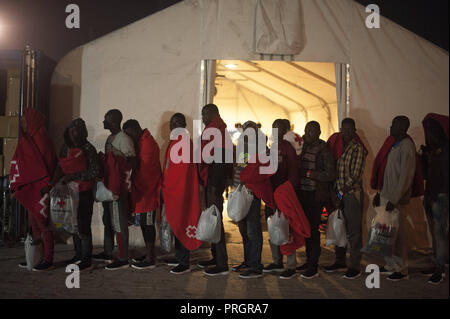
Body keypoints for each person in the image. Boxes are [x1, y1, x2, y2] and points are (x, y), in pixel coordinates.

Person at [371, 115, 423, 281]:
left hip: (396, 198)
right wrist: (380, 193)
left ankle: (401, 269)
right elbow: (387, 172)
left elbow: (406, 177)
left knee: (398, 235)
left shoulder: (407, 146)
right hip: (386, 194)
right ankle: (390, 264)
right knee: (386, 232)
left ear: (402, 127)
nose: (391, 127)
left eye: (394, 124)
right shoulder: (393, 144)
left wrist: (394, 199)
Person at [49, 119, 99, 271]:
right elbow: (59, 166)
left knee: (83, 224)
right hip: (69, 193)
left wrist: (73, 176)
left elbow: (94, 171)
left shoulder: (88, 148)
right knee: (73, 224)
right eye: (71, 131)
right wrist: (52, 184)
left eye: (76, 130)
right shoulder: (65, 147)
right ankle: (77, 254)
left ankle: (86, 259)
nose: (73, 133)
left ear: (83, 132)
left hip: (84, 192)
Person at [11, 108, 58, 271]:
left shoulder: (41, 138)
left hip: (41, 188)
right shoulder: (30, 138)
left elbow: (49, 164)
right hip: (33, 186)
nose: (22, 123)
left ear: (32, 121)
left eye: (24, 120)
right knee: (34, 223)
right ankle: (36, 257)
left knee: (42, 223)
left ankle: (48, 259)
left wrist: (47, 184)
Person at [93, 109, 137, 270]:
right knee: (108, 221)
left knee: (119, 222)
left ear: (113, 121)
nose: (103, 122)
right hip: (108, 185)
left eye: (106, 119)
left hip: (118, 188)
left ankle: (123, 257)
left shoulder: (124, 139)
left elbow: (131, 163)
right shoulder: (111, 138)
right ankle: (108, 251)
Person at [325, 118, 368, 279]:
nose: (346, 132)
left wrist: (340, 194)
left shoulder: (357, 149)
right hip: (340, 194)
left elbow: (355, 175)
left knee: (354, 231)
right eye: (344, 129)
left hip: (351, 195)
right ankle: (340, 260)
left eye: (350, 129)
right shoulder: (340, 147)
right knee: (339, 227)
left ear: (354, 130)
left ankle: (355, 266)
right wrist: (336, 194)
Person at [161, 113, 203, 274]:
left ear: (184, 125)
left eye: (177, 122)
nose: (174, 125)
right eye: (172, 122)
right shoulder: (176, 141)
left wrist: (170, 188)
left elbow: (182, 172)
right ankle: (178, 257)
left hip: (181, 191)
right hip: (174, 189)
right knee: (176, 224)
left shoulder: (184, 142)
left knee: (183, 222)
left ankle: (184, 262)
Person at [197, 103, 233, 276]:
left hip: (214, 182)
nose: (203, 117)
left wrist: (213, 186)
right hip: (211, 180)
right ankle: (215, 257)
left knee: (216, 220)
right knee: (212, 218)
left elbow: (220, 161)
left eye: (205, 114)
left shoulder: (217, 131)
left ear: (213, 114)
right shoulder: (215, 129)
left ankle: (222, 263)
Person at [262, 119, 301, 279]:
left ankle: (291, 265)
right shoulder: (272, 148)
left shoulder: (287, 149)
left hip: (283, 194)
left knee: (286, 228)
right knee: (274, 226)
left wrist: (286, 194)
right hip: (272, 194)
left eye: (278, 128)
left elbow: (292, 174)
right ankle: (277, 261)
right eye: (273, 128)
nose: (275, 131)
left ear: (285, 130)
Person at [297, 121, 335, 279]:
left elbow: (330, 174)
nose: (308, 134)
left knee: (313, 230)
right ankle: (308, 260)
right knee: (306, 229)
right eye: (306, 130)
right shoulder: (302, 146)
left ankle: (313, 265)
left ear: (319, 133)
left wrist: (310, 175)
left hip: (316, 194)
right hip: (303, 193)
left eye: (312, 131)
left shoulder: (324, 150)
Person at [122, 119, 162, 270]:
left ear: (134, 130)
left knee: (148, 225)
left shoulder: (147, 144)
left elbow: (146, 171)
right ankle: (148, 254)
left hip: (148, 191)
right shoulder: (142, 141)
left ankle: (151, 258)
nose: (128, 137)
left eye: (128, 134)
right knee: (144, 224)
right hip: (143, 191)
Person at [230, 121, 264, 279]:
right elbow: (239, 166)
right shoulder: (242, 147)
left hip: (252, 193)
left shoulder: (260, 149)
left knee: (253, 229)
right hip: (239, 192)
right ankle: (248, 261)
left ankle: (256, 266)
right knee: (243, 229)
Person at [420, 113, 449, 285]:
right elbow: (428, 175)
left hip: (441, 196)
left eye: (432, 132)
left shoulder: (445, 152)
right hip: (432, 195)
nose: (429, 135)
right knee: (435, 232)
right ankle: (436, 262)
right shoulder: (434, 152)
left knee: (439, 232)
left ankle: (440, 267)